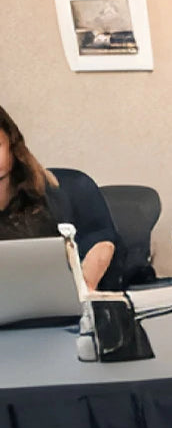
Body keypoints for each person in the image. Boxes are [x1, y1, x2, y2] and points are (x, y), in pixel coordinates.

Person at [0, 105, 121, 291]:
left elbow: (101, 241)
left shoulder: (62, 193)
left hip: (65, 309)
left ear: (12, 145)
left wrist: (84, 289)